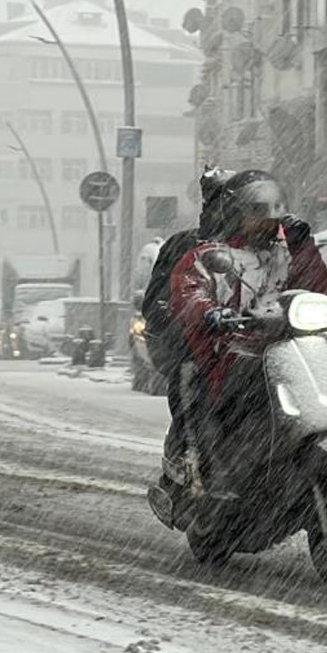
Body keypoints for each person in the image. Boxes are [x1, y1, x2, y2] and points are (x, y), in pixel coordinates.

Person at [170, 169, 327, 419]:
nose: (267, 222)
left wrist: (303, 246)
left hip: (291, 347)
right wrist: (211, 312)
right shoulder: (210, 255)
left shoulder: (288, 251)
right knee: (207, 398)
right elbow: (189, 291)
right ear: (236, 214)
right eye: (257, 214)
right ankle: (194, 449)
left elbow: (317, 289)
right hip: (233, 350)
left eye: (272, 214)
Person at [144, 166, 236, 480]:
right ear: (209, 204)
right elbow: (157, 304)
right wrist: (192, 317)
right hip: (197, 348)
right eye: (223, 201)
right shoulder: (184, 247)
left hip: (251, 348)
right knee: (190, 377)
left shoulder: (269, 250)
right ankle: (185, 459)